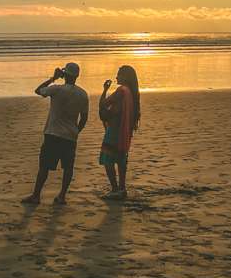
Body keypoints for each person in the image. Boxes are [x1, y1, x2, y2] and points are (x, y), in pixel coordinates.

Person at [22, 63, 89, 205]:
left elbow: (38, 90)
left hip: (53, 133)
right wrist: (76, 130)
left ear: (65, 75)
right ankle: (62, 196)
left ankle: (36, 195)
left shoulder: (57, 90)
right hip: (70, 135)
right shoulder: (82, 94)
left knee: (44, 167)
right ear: (77, 76)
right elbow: (84, 117)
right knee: (68, 168)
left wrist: (53, 78)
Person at [98, 65, 141, 200]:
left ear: (125, 77)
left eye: (119, 74)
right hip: (125, 131)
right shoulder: (132, 92)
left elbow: (103, 104)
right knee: (121, 159)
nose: (116, 77)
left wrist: (104, 90)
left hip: (115, 131)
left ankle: (115, 189)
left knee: (108, 160)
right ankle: (122, 188)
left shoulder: (121, 91)